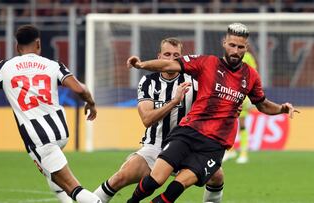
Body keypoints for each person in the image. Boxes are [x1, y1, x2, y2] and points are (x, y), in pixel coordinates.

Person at [125, 23, 299, 203]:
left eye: (240, 47)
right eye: (232, 45)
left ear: (245, 49)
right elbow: (170, 64)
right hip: (188, 132)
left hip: (214, 144)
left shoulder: (251, 76)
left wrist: (281, 109)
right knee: (155, 180)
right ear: (224, 43)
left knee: (175, 188)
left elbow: (262, 104)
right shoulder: (206, 63)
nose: (235, 50)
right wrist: (141, 64)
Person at [0, 24, 102, 203]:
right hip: (60, 131)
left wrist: (3, 85)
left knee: (74, 188)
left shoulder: (5, 67)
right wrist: (91, 103)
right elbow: (79, 88)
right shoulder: (53, 65)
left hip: (38, 137)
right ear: (38, 44)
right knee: (53, 176)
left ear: (17, 47)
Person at [94, 38, 225, 203]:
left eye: (176, 55)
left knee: (217, 175)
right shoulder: (149, 82)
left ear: (181, 59)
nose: (171, 60)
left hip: (187, 146)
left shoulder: (194, 82)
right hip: (155, 146)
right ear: (159, 56)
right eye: (167, 54)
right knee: (121, 177)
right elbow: (147, 119)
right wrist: (174, 102)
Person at [223, 51, 257, 164]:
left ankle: (243, 153)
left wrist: (251, 93)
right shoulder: (226, 57)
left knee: (241, 124)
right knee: (228, 123)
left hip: (243, 95)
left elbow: (254, 75)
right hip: (229, 94)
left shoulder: (248, 57)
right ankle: (230, 151)